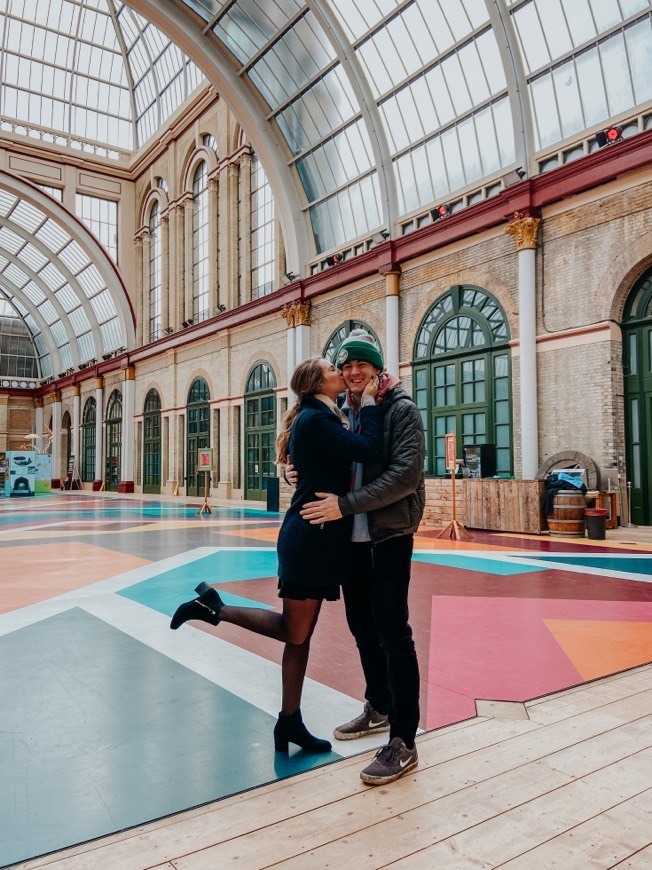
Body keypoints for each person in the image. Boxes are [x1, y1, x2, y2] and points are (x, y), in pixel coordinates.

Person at [170, 357, 382, 754]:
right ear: (318, 383)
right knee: (295, 632)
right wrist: (369, 403)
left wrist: (294, 468)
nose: (341, 372)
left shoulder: (322, 416)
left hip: (318, 539)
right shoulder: (316, 420)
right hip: (309, 541)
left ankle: (290, 723)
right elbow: (368, 448)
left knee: (300, 640)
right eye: (333, 369)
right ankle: (212, 608)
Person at [300, 329, 425, 785]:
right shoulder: (343, 412)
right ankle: (379, 706)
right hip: (349, 541)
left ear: (377, 369)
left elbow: (405, 476)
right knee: (362, 629)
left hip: (388, 536)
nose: (353, 372)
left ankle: (404, 740)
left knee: (394, 632)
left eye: (362, 365)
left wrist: (346, 505)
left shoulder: (401, 409)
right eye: (346, 365)